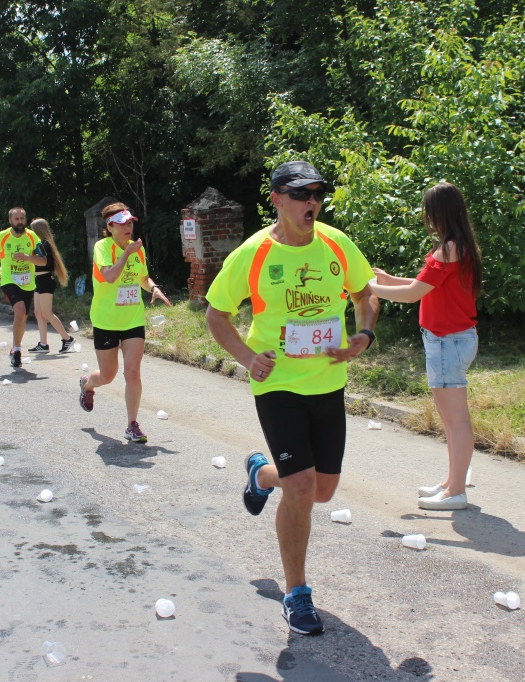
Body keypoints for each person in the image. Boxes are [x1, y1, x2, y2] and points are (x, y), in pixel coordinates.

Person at [205, 161, 379, 635]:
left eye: (317, 194)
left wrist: (363, 335)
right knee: (301, 488)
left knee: (321, 491)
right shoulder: (254, 253)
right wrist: (247, 358)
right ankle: (296, 592)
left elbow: (365, 294)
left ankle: (262, 474)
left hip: (327, 382)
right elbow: (217, 315)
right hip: (277, 384)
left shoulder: (336, 244)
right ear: (277, 199)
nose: (312, 202)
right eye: (302, 194)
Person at [368, 182, 482, 511]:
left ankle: (456, 492)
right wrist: (390, 281)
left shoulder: (448, 248)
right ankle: (451, 484)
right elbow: (425, 286)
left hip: (447, 341)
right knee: (451, 420)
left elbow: (414, 294)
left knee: (456, 421)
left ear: (439, 213)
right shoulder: (460, 245)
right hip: (451, 340)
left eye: (429, 211)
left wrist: (369, 288)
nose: (427, 217)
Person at [78, 203, 171, 443]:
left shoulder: (136, 248)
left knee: (132, 372)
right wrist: (126, 254)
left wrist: (153, 287)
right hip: (106, 320)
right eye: (122, 224)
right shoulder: (102, 247)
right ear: (110, 227)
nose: (128, 227)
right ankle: (87, 384)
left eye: (130, 222)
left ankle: (132, 425)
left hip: (132, 318)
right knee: (108, 376)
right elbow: (109, 276)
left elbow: (142, 277)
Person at [0, 208, 40, 368]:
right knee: (20, 311)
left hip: (27, 282)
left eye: (22, 218)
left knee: (22, 317)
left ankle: (15, 347)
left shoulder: (32, 236)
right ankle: (17, 351)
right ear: (10, 220)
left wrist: (28, 258)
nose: (20, 221)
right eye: (16, 219)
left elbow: (42, 259)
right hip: (9, 279)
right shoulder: (2, 237)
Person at [28, 218, 74, 353]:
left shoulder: (44, 244)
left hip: (45, 280)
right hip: (38, 280)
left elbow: (44, 262)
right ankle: (43, 344)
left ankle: (67, 338)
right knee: (38, 313)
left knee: (47, 313)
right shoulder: (40, 244)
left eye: (33, 230)